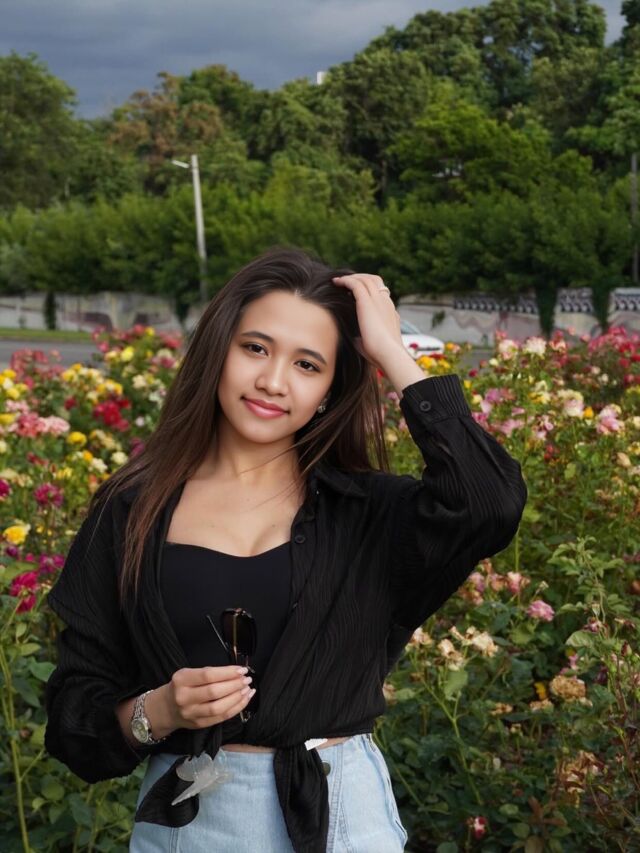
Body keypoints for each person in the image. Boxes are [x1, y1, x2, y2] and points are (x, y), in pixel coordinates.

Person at [44, 246, 528, 853]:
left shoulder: (369, 514)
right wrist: (161, 710)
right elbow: (74, 720)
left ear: (329, 389)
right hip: (185, 826)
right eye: (255, 348)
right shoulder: (131, 511)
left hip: (342, 820)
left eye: (307, 364)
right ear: (217, 352)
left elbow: (490, 502)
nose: (273, 381)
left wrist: (392, 352)